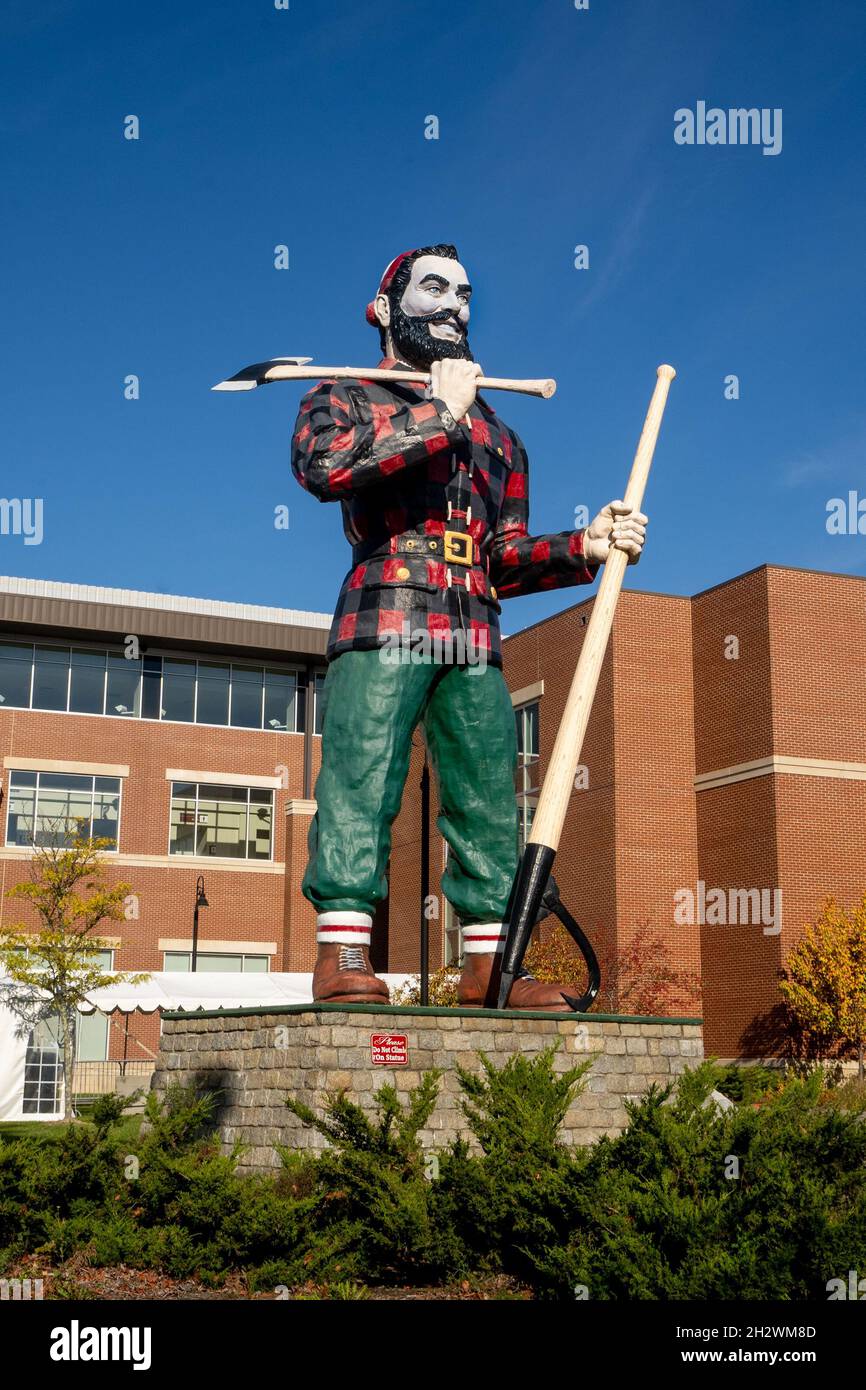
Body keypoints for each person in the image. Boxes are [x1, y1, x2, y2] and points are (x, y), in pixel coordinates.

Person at [291, 244, 647, 1009]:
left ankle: (492, 964)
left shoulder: (503, 439)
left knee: (487, 793)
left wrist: (583, 546)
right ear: (383, 309)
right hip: (384, 619)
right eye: (433, 289)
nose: (454, 306)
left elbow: (502, 559)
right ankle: (344, 953)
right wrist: (439, 412)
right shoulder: (345, 396)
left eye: (464, 294)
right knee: (362, 779)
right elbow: (326, 467)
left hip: (473, 635)